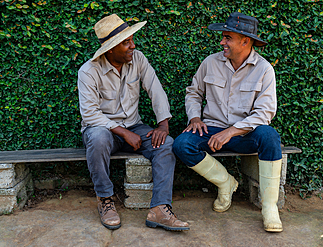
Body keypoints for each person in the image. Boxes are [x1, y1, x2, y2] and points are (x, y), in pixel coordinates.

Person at [173, 12, 283, 232]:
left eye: (227, 37)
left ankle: (269, 207)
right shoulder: (210, 63)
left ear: (245, 41)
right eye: (223, 37)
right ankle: (225, 183)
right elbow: (194, 93)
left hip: (245, 134)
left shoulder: (264, 69)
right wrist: (195, 117)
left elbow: (265, 113)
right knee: (181, 144)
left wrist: (231, 132)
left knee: (270, 136)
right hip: (211, 129)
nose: (222, 42)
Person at [78, 14, 189, 231]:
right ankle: (105, 199)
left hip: (134, 126)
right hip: (103, 130)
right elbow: (90, 114)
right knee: (98, 138)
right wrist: (123, 132)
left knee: (166, 144)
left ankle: (159, 209)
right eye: (126, 42)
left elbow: (155, 89)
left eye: (131, 39)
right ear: (111, 49)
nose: (133, 45)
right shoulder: (88, 72)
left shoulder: (137, 59)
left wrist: (163, 125)